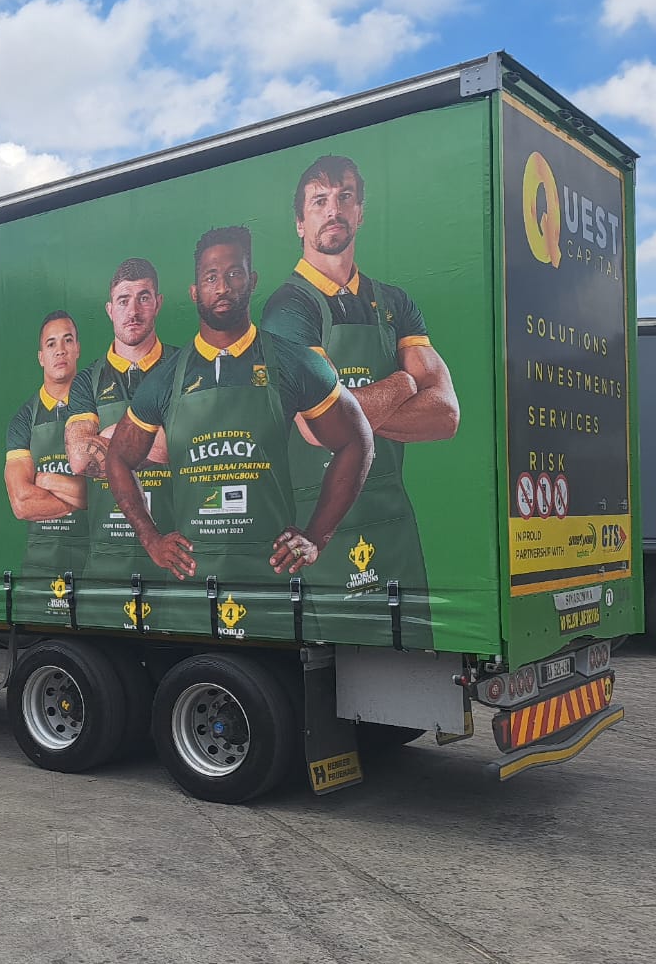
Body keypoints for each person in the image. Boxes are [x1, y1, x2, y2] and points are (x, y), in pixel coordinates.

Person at [105, 226, 372, 637]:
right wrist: (151, 538)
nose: (222, 287)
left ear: (252, 280)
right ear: (194, 291)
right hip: (193, 588)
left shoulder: (294, 362)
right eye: (210, 277)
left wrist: (316, 536)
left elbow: (357, 441)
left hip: (273, 583)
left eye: (234, 273)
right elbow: (118, 458)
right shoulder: (165, 379)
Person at [260, 155, 459, 648]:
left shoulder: (394, 302)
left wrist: (351, 413)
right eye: (319, 201)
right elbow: (317, 428)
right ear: (300, 221)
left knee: (417, 652)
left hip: (395, 521)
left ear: (360, 211)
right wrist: (405, 383)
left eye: (344, 197)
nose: (334, 209)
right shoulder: (288, 308)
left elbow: (446, 415)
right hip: (325, 524)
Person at [64, 258, 177, 588]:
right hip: (107, 559)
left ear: (158, 303)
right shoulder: (88, 380)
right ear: (110, 309)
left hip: (177, 551)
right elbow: (80, 458)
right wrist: (158, 439)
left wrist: (112, 435)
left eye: (144, 297)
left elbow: (190, 442)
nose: (133, 311)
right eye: (124, 300)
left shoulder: (184, 366)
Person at [4, 310, 89, 584]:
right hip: (39, 571)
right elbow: (21, 502)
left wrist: (46, 480)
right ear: (41, 357)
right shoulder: (24, 419)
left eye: (67, 340)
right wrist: (84, 498)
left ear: (77, 349)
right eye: (51, 344)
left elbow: (109, 493)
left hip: (93, 565)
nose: (60, 350)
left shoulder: (96, 408)